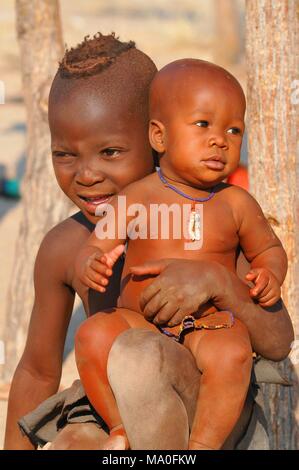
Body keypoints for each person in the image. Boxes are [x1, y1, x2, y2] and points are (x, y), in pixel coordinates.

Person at [5, 36, 293, 451]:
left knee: (140, 358)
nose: (86, 175)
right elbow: (36, 372)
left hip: (208, 415)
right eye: (65, 155)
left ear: (158, 137)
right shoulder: (66, 248)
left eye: (110, 151)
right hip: (116, 414)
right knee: (75, 440)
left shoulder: (211, 221)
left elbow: (278, 340)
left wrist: (217, 280)